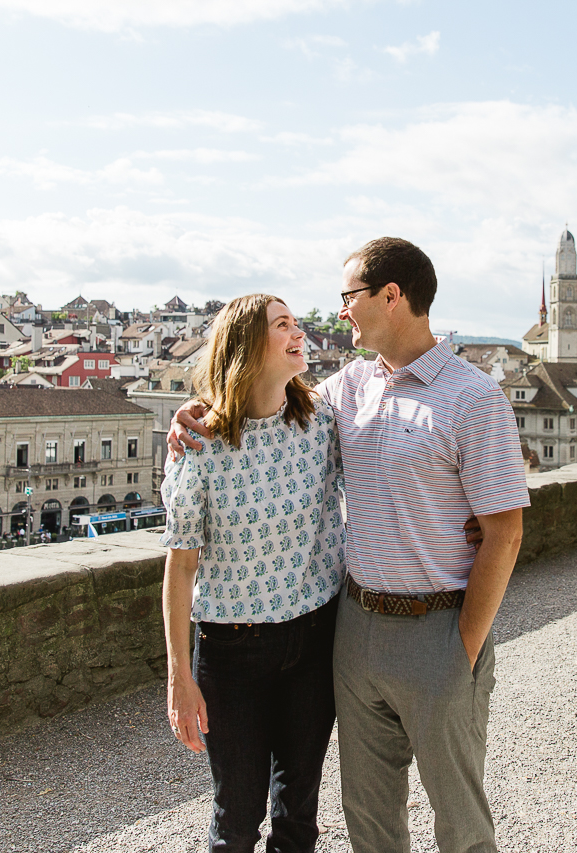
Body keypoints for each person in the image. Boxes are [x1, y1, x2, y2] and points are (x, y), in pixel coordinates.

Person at [169, 238, 529, 853]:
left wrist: (463, 645)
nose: (340, 313)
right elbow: (262, 407)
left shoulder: (475, 396)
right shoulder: (346, 390)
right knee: (368, 817)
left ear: (391, 297)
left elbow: (506, 529)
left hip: (438, 627)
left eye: (349, 297)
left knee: (460, 819)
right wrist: (192, 412)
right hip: (355, 629)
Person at [160, 293, 344, 853]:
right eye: (282, 325)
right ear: (245, 345)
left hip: (314, 636)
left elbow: (391, 466)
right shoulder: (200, 443)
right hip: (232, 651)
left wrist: (473, 518)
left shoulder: (321, 420)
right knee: (236, 816)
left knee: (299, 810)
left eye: (297, 322)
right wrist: (178, 678)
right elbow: (180, 561)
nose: (299, 333)